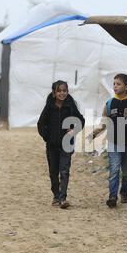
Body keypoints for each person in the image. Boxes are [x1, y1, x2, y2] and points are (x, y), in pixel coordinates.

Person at [88, 74, 127, 208]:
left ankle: (124, 193)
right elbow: (104, 123)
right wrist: (94, 134)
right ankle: (112, 197)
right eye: (114, 84)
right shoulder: (109, 103)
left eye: (118, 84)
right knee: (114, 170)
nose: (115, 86)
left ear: (126, 86)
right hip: (113, 142)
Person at [37, 80, 85, 209]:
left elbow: (81, 120)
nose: (62, 93)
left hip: (66, 144)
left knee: (64, 171)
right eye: (59, 91)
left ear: (67, 92)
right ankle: (56, 196)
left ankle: (63, 198)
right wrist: (47, 137)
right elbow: (40, 124)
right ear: (54, 92)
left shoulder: (70, 106)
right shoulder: (49, 107)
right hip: (52, 145)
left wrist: (74, 131)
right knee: (53, 171)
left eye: (64, 91)